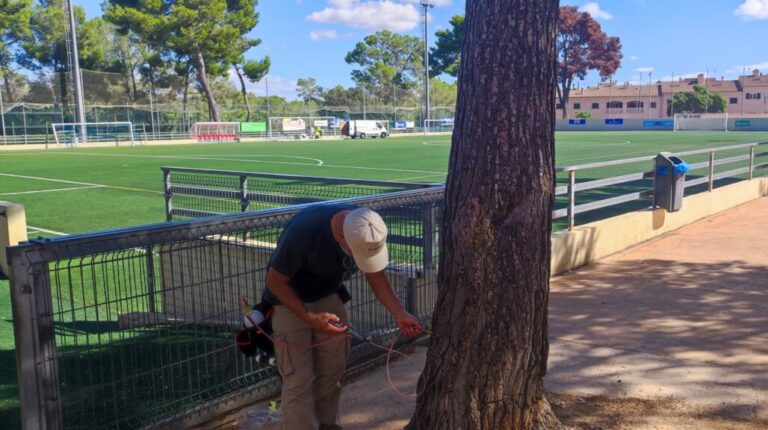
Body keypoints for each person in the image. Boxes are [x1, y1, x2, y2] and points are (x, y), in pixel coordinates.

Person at [262, 204, 423, 430]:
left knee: (332, 369)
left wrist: (399, 312)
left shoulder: (365, 225)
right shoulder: (305, 233)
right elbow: (274, 281)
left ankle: (328, 425)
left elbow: (376, 276)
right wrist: (309, 317)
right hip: (288, 298)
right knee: (299, 379)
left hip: (328, 293)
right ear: (340, 237)